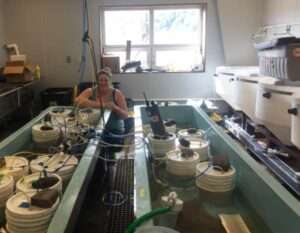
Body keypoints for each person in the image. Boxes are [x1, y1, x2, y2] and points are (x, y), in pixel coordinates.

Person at [75, 68, 128, 141]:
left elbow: (125, 115)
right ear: (97, 81)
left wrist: (115, 108)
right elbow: (77, 101)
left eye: (106, 80)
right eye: (101, 80)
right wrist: (103, 105)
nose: (103, 83)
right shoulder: (91, 91)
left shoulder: (117, 93)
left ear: (110, 81)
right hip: (94, 130)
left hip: (114, 131)